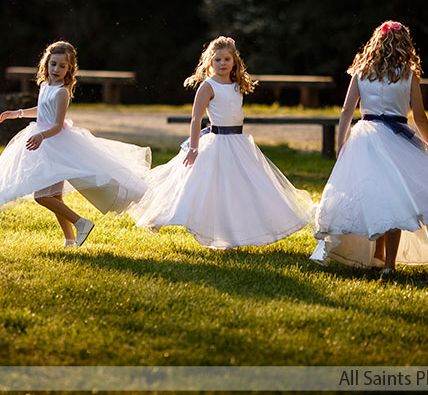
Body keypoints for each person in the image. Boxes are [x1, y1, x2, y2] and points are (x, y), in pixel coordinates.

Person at [311, 21, 428, 277]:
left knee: (376, 198)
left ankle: (378, 257)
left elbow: (347, 111)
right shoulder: (408, 75)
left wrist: (341, 144)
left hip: (364, 140)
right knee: (395, 200)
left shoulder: (361, 72)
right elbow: (419, 115)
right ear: (404, 45)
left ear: (376, 43)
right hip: (398, 140)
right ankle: (387, 263)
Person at [0, 41, 151, 247]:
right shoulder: (45, 85)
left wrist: (41, 137)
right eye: (53, 64)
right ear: (46, 64)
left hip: (55, 145)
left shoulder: (62, 92)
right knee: (55, 196)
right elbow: (43, 109)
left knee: (42, 196)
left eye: (62, 66)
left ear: (69, 69)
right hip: (44, 141)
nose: (56, 69)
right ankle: (70, 240)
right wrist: (19, 113)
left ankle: (81, 222)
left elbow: (57, 125)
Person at [128, 36, 312, 248]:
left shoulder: (236, 84)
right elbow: (196, 118)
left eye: (226, 59)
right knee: (203, 187)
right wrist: (194, 148)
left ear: (234, 61)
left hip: (239, 142)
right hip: (217, 142)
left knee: (243, 186)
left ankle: (236, 232)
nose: (222, 63)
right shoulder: (208, 86)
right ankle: (171, 217)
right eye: (217, 60)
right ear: (210, 62)